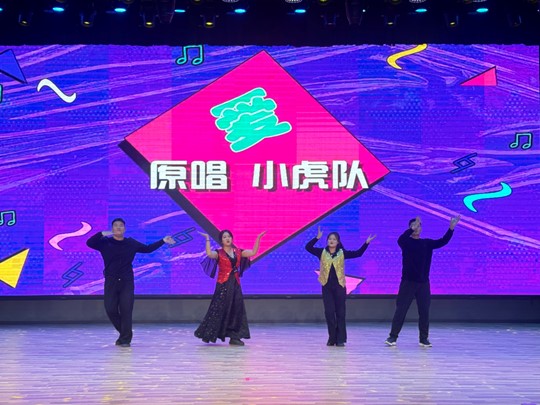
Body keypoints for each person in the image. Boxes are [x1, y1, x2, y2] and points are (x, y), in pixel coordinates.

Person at [86, 218, 174, 347]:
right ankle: (124, 334)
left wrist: (163, 241)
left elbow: (148, 249)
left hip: (127, 281)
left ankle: (125, 339)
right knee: (110, 309)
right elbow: (89, 243)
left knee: (126, 310)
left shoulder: (131, 243)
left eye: (121, 225)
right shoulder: (105, 242)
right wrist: (101, 233)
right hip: (111, 281)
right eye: (116, 225)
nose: (118, 227)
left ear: (124, 229)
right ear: (112, 228)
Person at [385, 215, 460, 348]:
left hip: (423, 283)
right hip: (408, 282)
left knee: (424, 311)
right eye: (414, 226)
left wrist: (451, 228)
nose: (416, 228)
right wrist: (411, 229)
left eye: (419, 226)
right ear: (410, 228)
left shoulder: (426, 243)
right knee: (401, 310)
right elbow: (400, 239)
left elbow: (442, 241)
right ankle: (393, 337)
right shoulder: (406, 242)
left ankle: (423, 339)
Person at [305, 227, 376, 347]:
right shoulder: (321, 252)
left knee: (340, 313)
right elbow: (308, 247)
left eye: (334, 239)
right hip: (326, 287)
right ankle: (331, 338)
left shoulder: (342, 253)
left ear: (338, 242)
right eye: (329, 239)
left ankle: (340, 339)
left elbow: (358, 253)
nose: (331, 241)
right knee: (329, 312)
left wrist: (366, 243)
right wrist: (317, 238)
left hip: (339, 287)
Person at [195, 229, 266, 346]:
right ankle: (209, 334)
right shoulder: (218, 253)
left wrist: (258, 238)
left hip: (235, 284)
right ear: (221, 240)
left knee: (237, 309)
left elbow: (253, 252)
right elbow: (209, 254)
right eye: (224, 237)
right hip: (223, 284)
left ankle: (235, 336)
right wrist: (207, 239)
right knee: (219, 309)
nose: (227, 239)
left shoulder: (238, 252)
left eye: (229, 236)